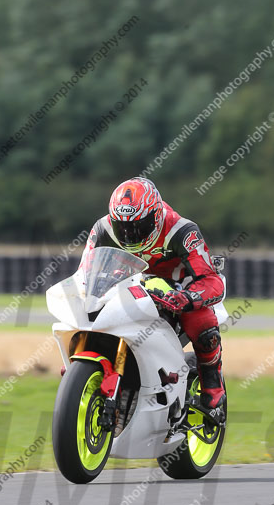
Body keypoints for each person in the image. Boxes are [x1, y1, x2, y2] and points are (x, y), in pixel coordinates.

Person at [79, 176, 226, 418]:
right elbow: (85, 272)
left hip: (176, 290)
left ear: (156, 216)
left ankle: (212, 382)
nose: (130, 233)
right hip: (126, 286)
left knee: (200, 319)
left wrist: (187, 298)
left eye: (139, 225)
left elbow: (212, 281)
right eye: (123, 226)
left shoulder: (182, 230)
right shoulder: (102, 228)